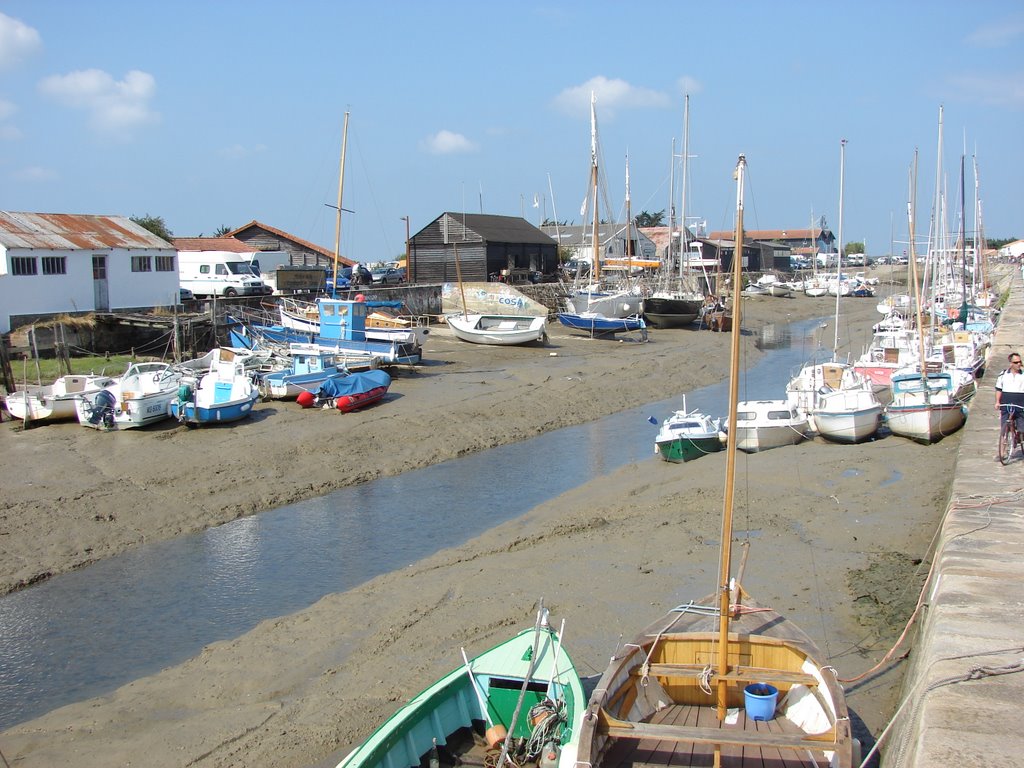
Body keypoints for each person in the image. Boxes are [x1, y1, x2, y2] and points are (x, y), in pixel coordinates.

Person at [994, 352, 1024, 434]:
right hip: (1006, 404)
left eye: (1020, 362)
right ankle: (1004, 441)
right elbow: (999, 389)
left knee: (1022, 429)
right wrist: (997, 402)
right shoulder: (1003, 375)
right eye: (1016, 362)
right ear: (1011, 363)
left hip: (1020, 404)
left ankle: (1019, 438)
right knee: (1004, 429)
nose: (1018, 364)